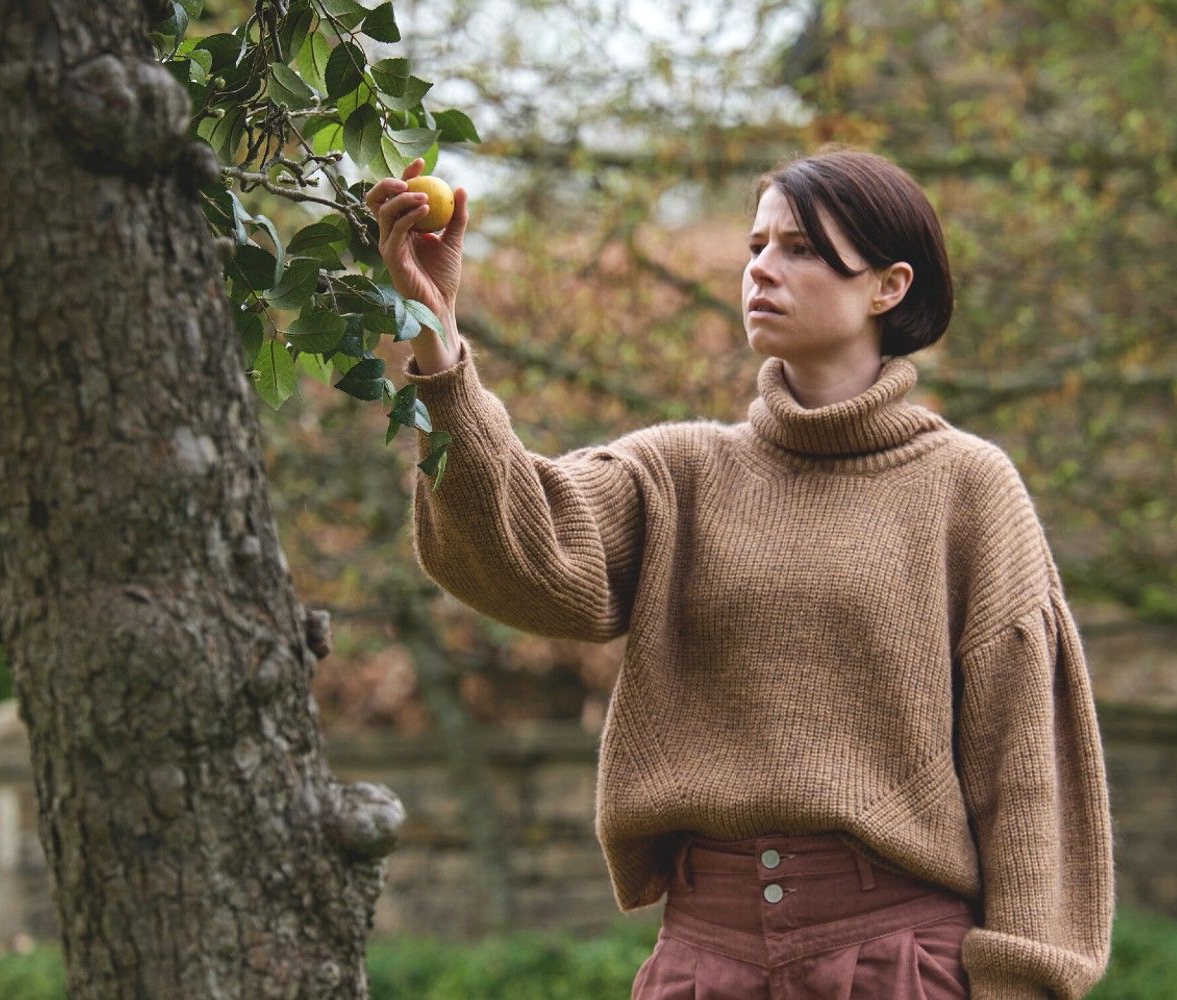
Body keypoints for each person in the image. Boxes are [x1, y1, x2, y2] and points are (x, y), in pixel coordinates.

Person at [364, 145, 1114, 999]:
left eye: (799, 248)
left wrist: (1023, 985)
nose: (762, 269)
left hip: (898, 963)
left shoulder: (968, 489)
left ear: (888, 286)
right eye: (756, 246)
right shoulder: (680, 473)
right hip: (703, 963)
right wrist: (437, 337)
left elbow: (1026, 776)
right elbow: (514, 552)